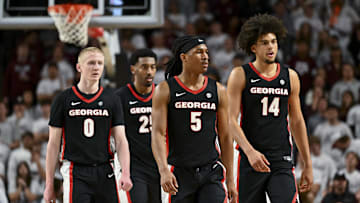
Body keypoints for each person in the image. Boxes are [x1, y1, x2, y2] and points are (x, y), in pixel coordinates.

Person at [227, 14, 313, 203]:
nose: (270, 47)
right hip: (249, 160)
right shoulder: (240, 75)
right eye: (264, 43)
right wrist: (249, 151)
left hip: (280, 158)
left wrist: (307, 163)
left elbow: (297, 120)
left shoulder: (290, 76)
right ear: (254, 48)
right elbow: (230, 120)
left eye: (273, 42)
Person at [151, 35, 237, 203]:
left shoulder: (218, 90)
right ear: (184, 57)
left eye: (206, 52)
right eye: (199, 52)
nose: (205, 56)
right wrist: (163, 170)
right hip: (179, 172)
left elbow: (226, 137)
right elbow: (157, 134)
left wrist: (231, 179)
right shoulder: (165, 90)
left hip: (211, 171)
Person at [43, 47, 132, 203]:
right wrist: (49, 184)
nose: (96, 67)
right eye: (91, 63)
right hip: (75, 171)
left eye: (99, 63)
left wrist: (125, 172)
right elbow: (53, 144)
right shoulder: (63, 99)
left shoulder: (112, 99)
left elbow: (121, 140)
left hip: (106, 169)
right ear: (79, 67)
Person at [115, 48, 161, 203]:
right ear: (133, 69)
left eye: (153, 67)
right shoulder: (120, 97)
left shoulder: (163, 94)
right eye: (144, 67)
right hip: (134, 167)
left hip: (160, 164)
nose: (149, 72)